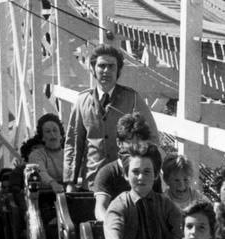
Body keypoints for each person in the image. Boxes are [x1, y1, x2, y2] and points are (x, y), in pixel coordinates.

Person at [64, 43, 158, 191]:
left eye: (111, 66)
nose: (106, 70)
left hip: (125, 183)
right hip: (92, 184)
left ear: (118, 70)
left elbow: (152, 139)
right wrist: (70, 181)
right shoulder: (82, 101)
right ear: (93, 68)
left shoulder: (132, 98)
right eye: (101, 66)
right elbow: (74, 143)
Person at [104, 143, 182, 239]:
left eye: (147, 172)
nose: (141, 177)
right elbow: (113, 228)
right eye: (135, 172)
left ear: (155, 175)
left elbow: (179, 232)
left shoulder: (165, 204)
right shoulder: (121, 203)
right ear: (126, 175)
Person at [93, 112, 160, 221]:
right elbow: (100, 208)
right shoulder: (108, 173)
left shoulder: (150, 172)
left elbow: (159, 206)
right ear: (119, 143)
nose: (136, 148)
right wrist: (113, 226)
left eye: (140, 144)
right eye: (131, 143)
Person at [28, 114, 65, 192]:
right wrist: (53, 183)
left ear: (61, 135)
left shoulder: (68, 154)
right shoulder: (36, 155)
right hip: (44, 197)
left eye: (55, 130)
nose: (52, 134)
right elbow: (40, 172)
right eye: (48, 131)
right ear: (43, 138)